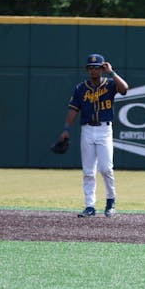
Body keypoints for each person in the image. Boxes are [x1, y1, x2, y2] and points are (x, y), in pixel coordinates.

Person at [61, 54, 129, 218]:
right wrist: (66, 129)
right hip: (87, 130)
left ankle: (110, 201)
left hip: (105, 130)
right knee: (88, 171)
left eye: (97, 67)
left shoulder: (110, 84)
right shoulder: (80, 88)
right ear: (87, 70)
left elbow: (125, 89)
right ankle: (89, 206)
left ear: (102, 68)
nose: (93, 70)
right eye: (90, 67)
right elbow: (73, 109)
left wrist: (111, 72)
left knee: (106, 169)